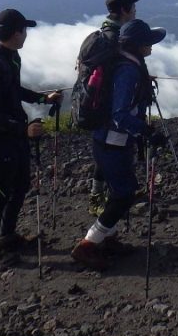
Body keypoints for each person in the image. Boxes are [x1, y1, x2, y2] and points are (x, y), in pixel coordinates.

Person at [70, 19, 168, 271]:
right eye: (148, 41)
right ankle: (89, 244)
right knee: (124, 193)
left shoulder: (123, 63)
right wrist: (146, 132)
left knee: (120, 190)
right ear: (137, 45)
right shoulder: (128, 71)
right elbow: (120, 114)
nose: (152, 46)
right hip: (112, 141)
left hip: (108, 139)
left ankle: (108, 238)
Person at [0, 8, 62, 269]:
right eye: (24, 30)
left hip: (12, 138)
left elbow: (15, 91)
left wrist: (42, 98)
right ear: (16, 33)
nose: (26, 35)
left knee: (20, 185)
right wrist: (23, 131)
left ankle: (7, 236)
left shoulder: (10, 59)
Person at [84, 0, 141, 216]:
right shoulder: (118, 39)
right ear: (124, 10)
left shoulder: (101, 35)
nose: (136, 10)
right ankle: (107, 202)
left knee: (104, 152)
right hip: (111, 109)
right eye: (133, 7)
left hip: (98, 106)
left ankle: (102, 194)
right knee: (114, 152)